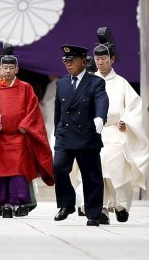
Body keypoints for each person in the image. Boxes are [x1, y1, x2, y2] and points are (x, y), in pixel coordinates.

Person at [0, 44, 54, 217]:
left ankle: (20, 202)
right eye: (5, 67)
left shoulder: (26, 88)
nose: (8, 71)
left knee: (19, 171)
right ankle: (3, 204)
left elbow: (33, 110)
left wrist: (25, 125)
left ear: (17, 69)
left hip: (19, 137)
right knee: (0, 172)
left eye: (11, 68)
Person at [91, 33, 149, 224]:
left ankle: (121, 205)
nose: (100, 62)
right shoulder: (89, 81)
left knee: (119, 171)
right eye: (97, 59)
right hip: (95, 133)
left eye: (104, 58)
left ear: (112, 59)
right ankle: (102, 208)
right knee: (97, 172)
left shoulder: (121, 83)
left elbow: (134, 106)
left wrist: (127, 120)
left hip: (116, 132)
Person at [52, 44, 109, 226]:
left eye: (72, 60)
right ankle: (66, 205)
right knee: (58, 167)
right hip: (65, 134)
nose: (68, 64)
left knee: (91, 176)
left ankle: (93, 213)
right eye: (65, 61)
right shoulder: (61, 82)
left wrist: (100, 116)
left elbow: (102, 99)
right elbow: (58, 110)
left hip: (87, 135)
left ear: (83, 61)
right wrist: (57, 130)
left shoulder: (95, 82)